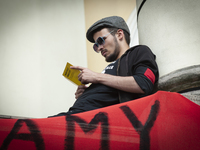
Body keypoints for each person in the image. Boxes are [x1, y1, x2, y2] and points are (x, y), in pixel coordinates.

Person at [50, 16, 159, 117]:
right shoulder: (110, 70)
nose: (99, 48)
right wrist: (85, 94)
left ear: (119, 34)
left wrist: (96, 77)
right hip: (75, 116)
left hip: (91, 123)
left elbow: (144, 83)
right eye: (96, 46)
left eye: (101, 41)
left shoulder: (138, 52)